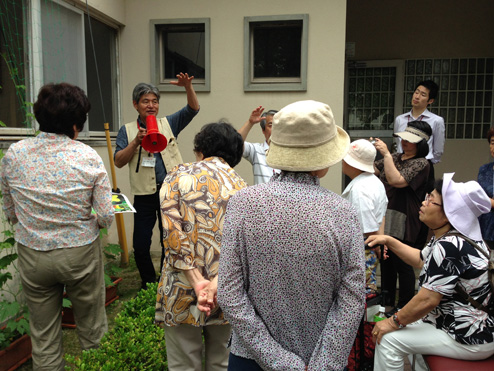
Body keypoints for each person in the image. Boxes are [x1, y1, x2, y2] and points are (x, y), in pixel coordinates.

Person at [216, 100, 365, 370]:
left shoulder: (242, 204)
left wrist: (278, 359)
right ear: (322, 162)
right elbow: (352, 298)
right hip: (320, 359)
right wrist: (325, 363)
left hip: (252, 357)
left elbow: (228, 293)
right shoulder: (344, 214)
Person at [0, 83, 114, 369]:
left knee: (43, 337)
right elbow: (105, 216)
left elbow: (10, 210)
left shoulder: (14, 154)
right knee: (92, 329)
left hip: (33, 253)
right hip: (80, 254)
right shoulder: (87, 156)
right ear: (76, 124)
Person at [366, 173, 494, 371]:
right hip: (466, 325)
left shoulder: (450, 245)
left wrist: (392, 322)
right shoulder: (456, 237)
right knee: (406, 325)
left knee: (390, 339)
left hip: (469, 334)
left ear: (448, 212)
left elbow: (428, 300)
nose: (424, 203)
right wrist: (389, 240)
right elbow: (420, 258)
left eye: (430, 200)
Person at [155, 122, 247, 371]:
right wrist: (215, 283)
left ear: (200, 150)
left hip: (181, 287)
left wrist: (197, 281)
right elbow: (242, 249)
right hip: (227, 290)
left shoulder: (176, 175)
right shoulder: (244, 188)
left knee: (184, 365)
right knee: (222, 363)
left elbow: (172, 233)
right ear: (235, 155)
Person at [114, 74, 199, 289]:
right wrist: (135, 142)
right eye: (145, 101)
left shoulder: (168, 123)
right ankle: (148, 283)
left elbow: (193, 109)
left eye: (154, 101)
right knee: (141, 245)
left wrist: (188, 87)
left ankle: (164, 283)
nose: (151, 106)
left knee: (168, 241)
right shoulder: (127, 130)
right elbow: (118, 161)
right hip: (143, 194)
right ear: (136, 104)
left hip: (170, 192)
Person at [374, 121, 432, 313]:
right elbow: (374, 169)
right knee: (386, 259)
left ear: (421, 143)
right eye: (404, 138)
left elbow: (397, 180)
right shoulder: (397, 157)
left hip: (405, 217)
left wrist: (387, 155)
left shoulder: (422, 163)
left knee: (403, 263)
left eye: (410, 140)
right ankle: (387, 303)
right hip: (386, 212)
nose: (405, 142)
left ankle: (404, 307)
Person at [342, 139, 388, 293]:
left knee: (360, 292)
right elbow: (381, 216)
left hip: (362, 247)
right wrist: (381, 241)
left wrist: (378, 244)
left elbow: (365, 226)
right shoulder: (375, 182)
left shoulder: (359, 190)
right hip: (373, 244)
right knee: (368, 289)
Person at [394, 80, 445, 165]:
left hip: (424, 164)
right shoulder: (400, 119)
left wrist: (428, 163)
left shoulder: (436, 120)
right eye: (416, 92)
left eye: (423, 95)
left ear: (430, 101)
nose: (417, 97)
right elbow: (398, 142)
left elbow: (438, 150)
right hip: (401, 163)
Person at [237, 106, 280, 184]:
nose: (275, 129)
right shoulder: (256, 150)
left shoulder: (289, 152)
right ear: (263, 130)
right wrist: (250, 123)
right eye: (271, 125)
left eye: (278, 125)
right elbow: (235, 142)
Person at [477, 126, 494, 247]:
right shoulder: (484, 169)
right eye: (493, 142)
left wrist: (484, 200)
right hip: (484, 225)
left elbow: (479, 198)